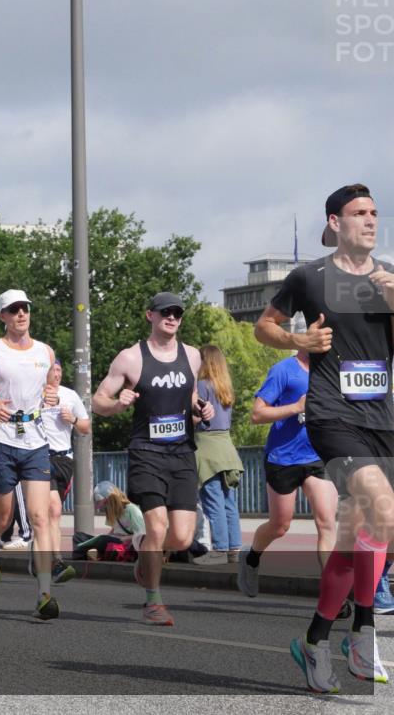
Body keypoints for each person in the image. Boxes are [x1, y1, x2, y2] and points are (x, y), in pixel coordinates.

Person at [255, 184, 392, 691]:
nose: (371, 220)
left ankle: (315, 640)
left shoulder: (389, 278)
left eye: (375, 212)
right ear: (335, 222)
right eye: (359, 213)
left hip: (382, 419)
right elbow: (263, 327)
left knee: (366, 537)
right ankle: (363, 632)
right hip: (332, 414)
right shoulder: (310, 276)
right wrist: (298, 339)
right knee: (384, 510)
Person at [92, 292, 214, 626]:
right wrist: (118, 404)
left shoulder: (191, 356)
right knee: (158, 526)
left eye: (177, 313)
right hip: (147, 453)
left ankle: (143, 548)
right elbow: (98, 400)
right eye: (165, 312)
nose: (172, 318)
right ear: (150, 315)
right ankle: (153, 601)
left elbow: (189, 395)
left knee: (183, 538)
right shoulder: (131, 358)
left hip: (183, 454)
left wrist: (201, 408)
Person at [0, 289, 63, 620]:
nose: (21, 313)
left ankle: (44, 594)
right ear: (2, 316)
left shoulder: (45, 351)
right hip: (0, 439)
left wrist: (51, 395)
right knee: (4, 517)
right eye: (13, 309)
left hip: (35, 439)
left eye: (25, 308)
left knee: (40, 516)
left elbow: (50, 386)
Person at [238, 350, 338, 596]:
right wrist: (296, 407)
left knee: (326, 522)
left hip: (318, 456)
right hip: (283, 457)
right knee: (280, 526)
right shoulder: (284, 370)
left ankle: (332, 594)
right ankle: (251, 558)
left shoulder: (333, 371)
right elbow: (257, 414)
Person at [191, 345, 245, 566]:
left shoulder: (202, 386)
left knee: (212, 501)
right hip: (226, 447)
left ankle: (219, 550)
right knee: (228, 501)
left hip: (207, 448)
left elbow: (195, 419)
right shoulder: (225, 388)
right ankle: (234, 550)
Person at [38, 359, 90, 582]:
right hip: (40, 456)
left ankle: (40, 556)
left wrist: (74, 419)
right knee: (55, 509)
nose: (57, 374)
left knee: (51, 515)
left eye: (59, 369)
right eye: (53, 370)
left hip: (64, 459)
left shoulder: (70, 395)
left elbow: (86, 427)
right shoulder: (33, 394)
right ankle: (56, 561)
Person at [72, 481, 145, 561]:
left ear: (109, 500)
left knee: (105, 542)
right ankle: (84, 557)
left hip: (124, 543)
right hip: (113, 540)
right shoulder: (113, 511)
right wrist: (102, 537)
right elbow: (113, 530)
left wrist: (123, 538)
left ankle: (88, 556)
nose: (101, 507)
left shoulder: (131, 509)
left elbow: (141, 534)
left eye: (102, 503)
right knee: (78, 537)